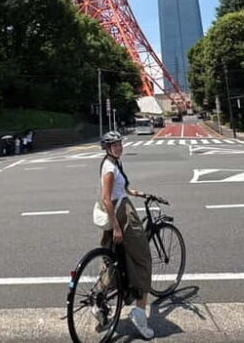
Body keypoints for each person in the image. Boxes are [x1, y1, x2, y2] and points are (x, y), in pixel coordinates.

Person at [98, 130, 154, 340]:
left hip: (120, 207)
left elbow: (119, 190)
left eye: (120, 144)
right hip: (121, 214)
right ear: (107, 148)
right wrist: (117, 227)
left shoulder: (112, 163)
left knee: (113, 261)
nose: (119, 147)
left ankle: (100, 303)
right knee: (143, 259)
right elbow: (106, 198)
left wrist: (134, 192)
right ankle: (139, 312)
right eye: (114, 145)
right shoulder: (110, 168)